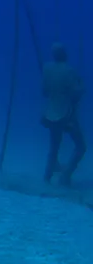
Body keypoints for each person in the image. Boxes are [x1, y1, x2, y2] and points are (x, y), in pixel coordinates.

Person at [41, 42, 86, 186]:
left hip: (50, 114)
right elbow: (75, 95)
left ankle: (47, 177)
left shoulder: (46, 69)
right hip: (67, 115)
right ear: (64, 54)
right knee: (81, 146)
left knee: (54, 147)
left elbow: (45, 92)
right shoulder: (69, 71)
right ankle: (65, 176)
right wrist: (81, 85)